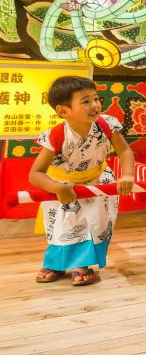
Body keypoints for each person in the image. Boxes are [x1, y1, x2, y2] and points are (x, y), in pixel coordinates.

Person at [28, 76, 134, 285]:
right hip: (63, 185)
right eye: (86, 101)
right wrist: (58, 188)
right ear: (63, 111)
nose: (95, 105)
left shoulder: (106, 125)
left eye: (96, 99)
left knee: (93, 223)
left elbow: (125, 151)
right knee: (63, 226)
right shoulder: (56, 136)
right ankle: (55, 265)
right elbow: (35, 174)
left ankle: (83, 266)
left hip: (98, 180)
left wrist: (128, 174)